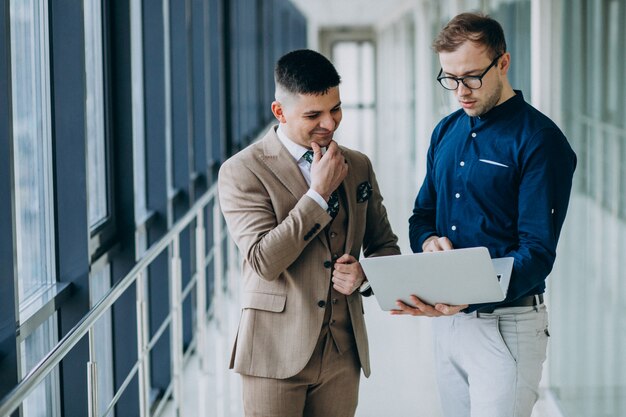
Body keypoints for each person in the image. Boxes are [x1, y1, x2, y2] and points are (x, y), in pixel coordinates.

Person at [393, 12, 577, 417]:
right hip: (448, 324)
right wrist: (428, 242)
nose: (460, 91)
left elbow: (537, 252)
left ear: (503, 64)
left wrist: (469, 294)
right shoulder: (445, 131)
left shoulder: (540, 141)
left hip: (506, 328)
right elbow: (422, 215)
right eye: (449, 78)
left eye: (472, 77)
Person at [218, 49, 400, 417]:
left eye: (335, 109)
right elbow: (262, 261)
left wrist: (366, 276)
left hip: (342, 352)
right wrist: (317, 195)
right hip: (274, 352)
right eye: (313, 115)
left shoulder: (358, 164)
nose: (330, 124)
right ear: (280, 112)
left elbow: (385, 246)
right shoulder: (242, 171)